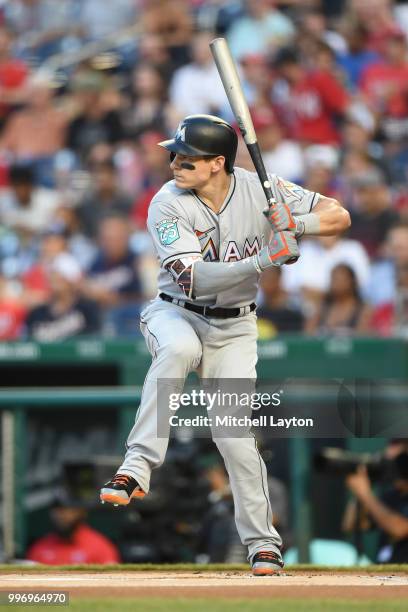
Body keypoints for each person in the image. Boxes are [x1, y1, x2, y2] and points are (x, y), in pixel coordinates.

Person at [99, 114, 350, 575]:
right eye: (174, 153)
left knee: (234, 436)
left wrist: (298, 223)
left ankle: (263, 545)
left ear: (218, 162)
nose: (175, 162)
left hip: (235, 327)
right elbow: (192, 279)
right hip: (176, 311)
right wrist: (265, 257)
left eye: (186, 156)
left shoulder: (261, 187)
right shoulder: (166, 202)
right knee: (177, 351)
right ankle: (136, 466)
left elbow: (340, 215)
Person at [343, 440, 408, 564]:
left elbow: (400, 529)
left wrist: (366, 494)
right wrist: (361, 491)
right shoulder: (391, 496)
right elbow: (351, 524)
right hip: (385, 575)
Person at [26, 493, 120, 565]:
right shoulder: (40, 547)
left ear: (81, 512)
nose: (61, 515)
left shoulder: (100, 547)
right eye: (57, 510)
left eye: (68, 509)